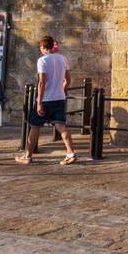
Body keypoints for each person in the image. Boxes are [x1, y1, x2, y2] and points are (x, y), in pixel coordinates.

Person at [15, 35, 74, 166]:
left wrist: (39, 103)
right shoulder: (63, 59)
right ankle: (70, 153)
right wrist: (61, 90)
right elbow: (67, 80)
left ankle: (28, 156)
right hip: (59, 98)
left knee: (35, 126)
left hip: (46, 99)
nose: (40, 49)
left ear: (43, 47)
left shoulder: (42, 60)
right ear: (52, 46)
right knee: (61, 126)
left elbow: (42, 82)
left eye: (40, 47)